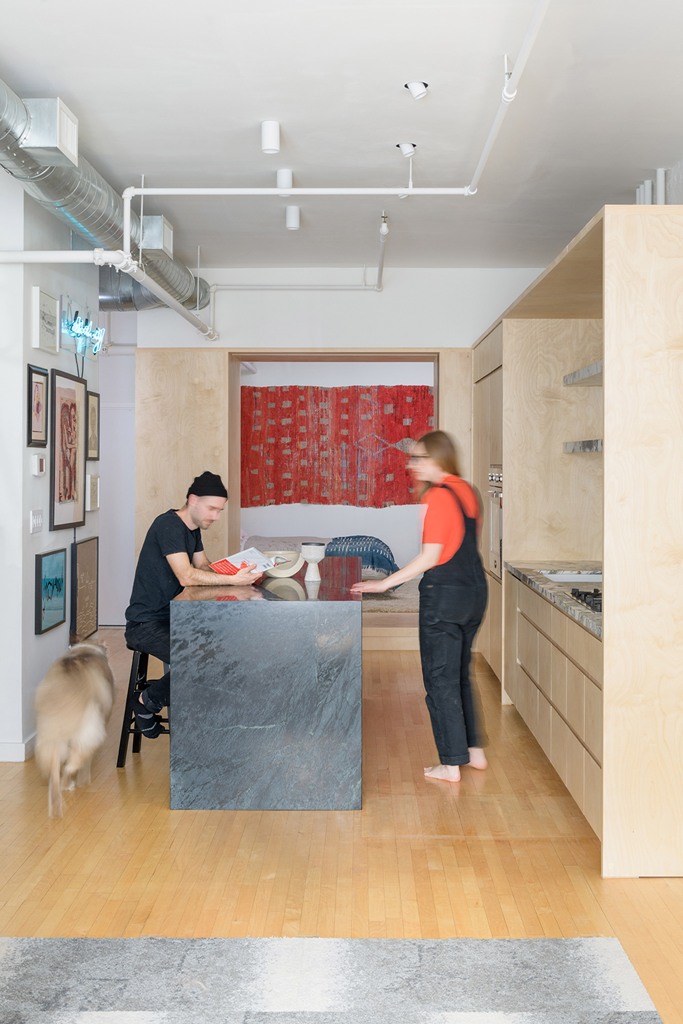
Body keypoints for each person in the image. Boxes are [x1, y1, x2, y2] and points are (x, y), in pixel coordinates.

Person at [351, 431, 488, 782]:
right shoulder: (467, 492)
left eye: (420, 458)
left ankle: (450, 764)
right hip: (474, 592)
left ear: (440, 458)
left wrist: (384, 583)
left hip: (444, 597)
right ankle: (474, 751)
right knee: (459, 673)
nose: (413, 465)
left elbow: (431, 556)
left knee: (440, 679)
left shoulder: (439, 496)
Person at [124, 470, 261, 737]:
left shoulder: (192, 529)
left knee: (227, 651)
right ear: (193, 499)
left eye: (219, 511)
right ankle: (146, 703)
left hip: (172, 616)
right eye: (212, 509)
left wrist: (237, 573)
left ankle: (210, 722)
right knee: (204, 662)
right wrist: (233, 580)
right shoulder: (168, 525)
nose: (216, 516)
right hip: (145, 623)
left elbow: (203, 566)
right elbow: (186, 575)